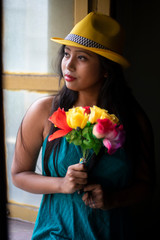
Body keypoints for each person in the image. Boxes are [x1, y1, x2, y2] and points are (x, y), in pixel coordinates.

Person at [11, 12, 154, 239]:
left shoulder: (133, 120)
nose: (68, 65)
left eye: (82, 58)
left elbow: (146, 185)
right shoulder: (43, 112)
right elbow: (19, 175)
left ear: (106, 68)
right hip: (55, 233)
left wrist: (112, 199)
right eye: (67, 54)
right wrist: (61, 185)